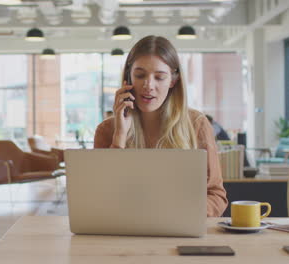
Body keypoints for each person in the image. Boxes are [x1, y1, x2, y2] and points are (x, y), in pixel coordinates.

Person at [94, 36, 228, 217]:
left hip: (179, 231)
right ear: (128, 77)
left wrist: (178, 215)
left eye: (159, 77)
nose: (148, 85)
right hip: (124, 232)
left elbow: (216, 196)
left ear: (173, 81)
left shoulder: (196, 124)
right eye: (140, 75)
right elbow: (99, 196)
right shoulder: (107, 130)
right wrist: (120, 137)